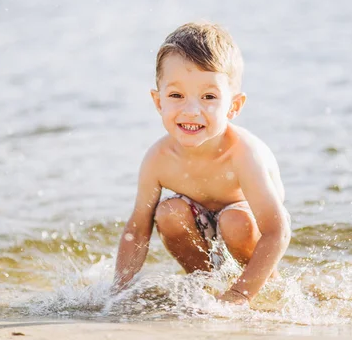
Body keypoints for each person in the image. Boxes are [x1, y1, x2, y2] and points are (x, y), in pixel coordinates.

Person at [113, 22, 291, 305]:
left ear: (234, 106)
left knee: (235, 221)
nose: (191, 110)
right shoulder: (158, 159)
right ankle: (203, 287)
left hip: (248, 227)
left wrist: (238, 295)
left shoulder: (244, 154)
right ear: (158, 102)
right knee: (168, 213)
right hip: (197, 218)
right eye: (176, 96)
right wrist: (116, 293)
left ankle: (260, 288)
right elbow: (137, 230)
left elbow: (277, 230)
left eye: (208, 97)